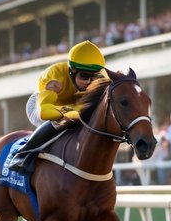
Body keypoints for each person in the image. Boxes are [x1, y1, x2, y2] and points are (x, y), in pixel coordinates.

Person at [8, 40, 105, 174]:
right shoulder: (55, 79)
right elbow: (44, 112)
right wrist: (74, 112)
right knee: (60, 120)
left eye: (93, 77)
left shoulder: (101, 77)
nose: (89, 82)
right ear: (72, 71)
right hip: (42, 105)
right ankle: (23, 155)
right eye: (84, 76)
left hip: (73, 104)